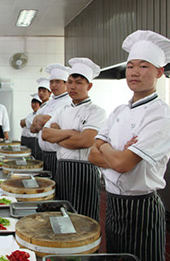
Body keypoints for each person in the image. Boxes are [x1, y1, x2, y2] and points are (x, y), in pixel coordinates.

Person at [88, 30, 170, 261]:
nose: (135, 72)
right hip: (113, 204)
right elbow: (92, 154)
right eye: (130, 66)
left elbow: (122, 164)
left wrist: (109, 151)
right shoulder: (120, 110)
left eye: (144, 66)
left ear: (159, 71)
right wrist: (116, 154)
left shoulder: (161, 116)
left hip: (141, 209)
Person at [42, 58, 106, 221]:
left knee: (84, 220)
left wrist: (59, 135)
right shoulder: (62, 109)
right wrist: (71, 133)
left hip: (84, 172)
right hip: (62, 169)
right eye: (70, 82)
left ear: (89, 86)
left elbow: (85, 141)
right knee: (63, 217)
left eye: (78, 83)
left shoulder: (96, 112)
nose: (72, 86)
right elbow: (45, 134)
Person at [32, 64, 71, 165]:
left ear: (66, 83)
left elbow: (48, 122)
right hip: (44, 153)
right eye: (51, 82)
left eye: (57, 82)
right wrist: (40, 120)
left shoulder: (67, 101)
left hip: (57, 154)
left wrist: (41, 120)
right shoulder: (50, 102)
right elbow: (33, 127)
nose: (53, 85)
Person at [27, 77, 51, 159]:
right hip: (38, 143)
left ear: (50, 93)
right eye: (39, 91)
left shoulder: (50, 106)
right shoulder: (41, 108)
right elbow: (32, 129)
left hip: (49, 148)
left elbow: (38, 126)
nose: (41, 93)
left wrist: (37, 123)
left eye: (44, 91)